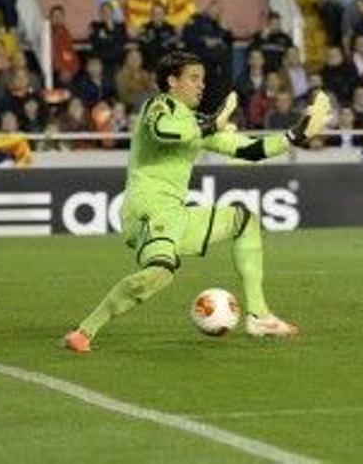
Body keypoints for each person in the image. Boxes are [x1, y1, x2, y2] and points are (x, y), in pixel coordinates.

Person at [63, 51, 332, 353]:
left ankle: (259, 316)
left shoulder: (196, 123)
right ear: (172, 81)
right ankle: (85, 331)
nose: (201, 85)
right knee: (159, 274)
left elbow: (249, 149)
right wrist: (211, 124)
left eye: (202, 79)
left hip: (176, 213)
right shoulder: (159, 105)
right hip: (150, 210)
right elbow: (164, 133)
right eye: (193, 78)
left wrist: (295, 135)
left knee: (244, 221)